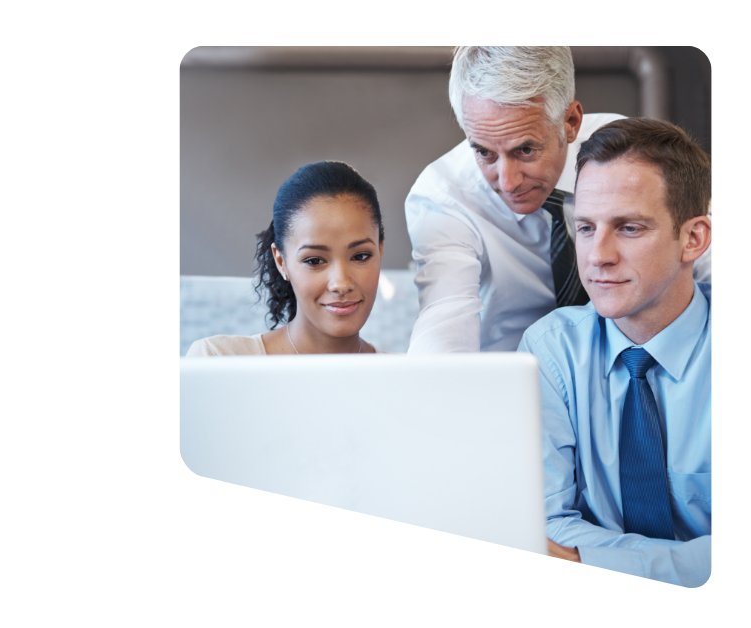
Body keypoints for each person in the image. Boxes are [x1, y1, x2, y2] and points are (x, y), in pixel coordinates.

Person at [405, 46, 712, 353]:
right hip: (507, 376)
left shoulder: (628, 157)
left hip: (637, 363)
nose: (508, 181)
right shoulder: (444, 197)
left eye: (525, 150)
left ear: (571, 123)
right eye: (484, 152)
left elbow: (700, 252)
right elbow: (444, 325)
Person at [516, 117, 712, 586]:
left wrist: (589, 557)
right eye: (586, 227)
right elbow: (541, 526)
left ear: (694, 239)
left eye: (628, 228)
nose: (597, 255)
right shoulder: (549, 352)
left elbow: (565, 548)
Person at [186, 160, 387, 356]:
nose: (341, 284)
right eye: (314, 261)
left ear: (380, 251)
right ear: (281, 262)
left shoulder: (404, 377)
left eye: (361, 256)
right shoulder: (217, 360)